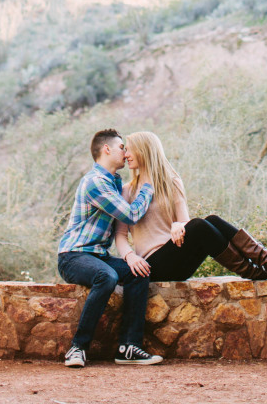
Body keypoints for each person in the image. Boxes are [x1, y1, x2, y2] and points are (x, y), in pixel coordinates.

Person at [114, 131, 267, 283]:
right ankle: (259, 271)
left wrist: (179, 225)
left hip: (179, 258)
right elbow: (121, 235)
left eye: (129, 150)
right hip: (151, 266)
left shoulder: (172, 182)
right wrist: (130, 257)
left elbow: (185, 222)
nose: (125, 155)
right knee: (201, 224)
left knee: (211, 220)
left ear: (144, 150)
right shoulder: (127, 191)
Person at [57, 128, 163, 368]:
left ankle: (129, 347)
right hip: (73, 256)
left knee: (139, 272)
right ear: (107, 149)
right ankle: (77, 348)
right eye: (121, 147)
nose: (125, 153)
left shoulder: (114, 183)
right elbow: (131, 214)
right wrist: (147, 187)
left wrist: (130, 257)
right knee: (106, 276)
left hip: (98, 256)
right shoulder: (96, 182)